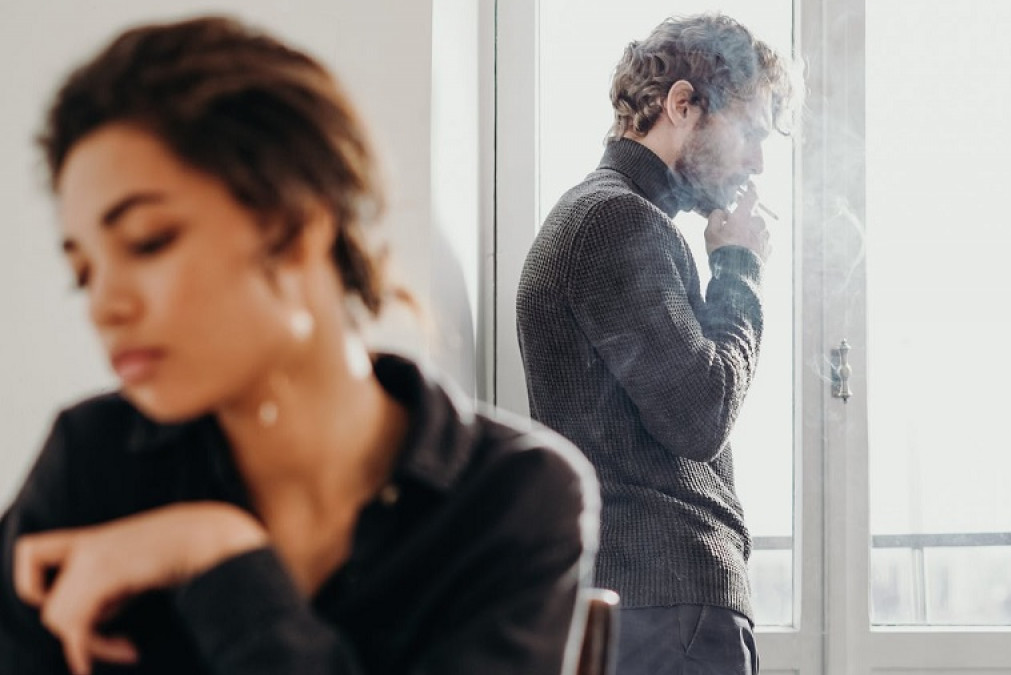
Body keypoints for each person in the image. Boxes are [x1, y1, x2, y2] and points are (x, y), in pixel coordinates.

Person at [0, 15, 597, 675]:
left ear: (295, 230)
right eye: (82, 271)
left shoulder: (515, 495)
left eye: (147, 241)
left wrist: (220, 559)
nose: (105, 304)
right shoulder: (92, 459)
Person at [516, 13, 793, 675]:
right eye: (750, 132)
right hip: (667, 608)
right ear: (681, 105)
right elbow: (700, 414)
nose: (757, 160)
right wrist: (738, 269)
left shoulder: (611, 216)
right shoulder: (618, 220)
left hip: (654, 607)